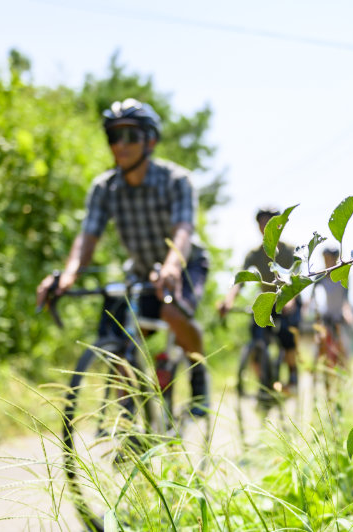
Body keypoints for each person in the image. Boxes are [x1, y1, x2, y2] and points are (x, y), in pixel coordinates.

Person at [35, 98, 211, 417]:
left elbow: (184, 229)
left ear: (151, 141)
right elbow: (88, 236)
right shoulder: (104, 188)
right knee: (119, 336)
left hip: (184, 265)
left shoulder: (176, 180)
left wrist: (172, 266)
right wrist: (69, 275)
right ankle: (129, 420)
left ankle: (199, 375)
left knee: (172, 312)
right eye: (114, 136)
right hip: (142, 272)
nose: (121, 144)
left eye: (131, 135)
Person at [218, 208, 301, 393]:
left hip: (289, 298)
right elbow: (240, 280)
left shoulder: (290, 251)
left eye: (269, 223)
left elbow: (297, 279)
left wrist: (290, 299)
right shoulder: (254, 254)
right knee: (256, 337)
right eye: (262, 223)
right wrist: (228, 300)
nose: (265, 227)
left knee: (287, 335)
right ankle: (263, 384)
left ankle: (293, 378)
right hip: (267, 301)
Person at [311, 247, 353, 379]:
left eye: (329, 259)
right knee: (319, 344)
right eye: (325, 259)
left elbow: (345, 299)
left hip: (339, 317)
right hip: (326, 316)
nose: (327, 262)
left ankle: (347, 375)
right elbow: (313, 296)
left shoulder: (343, 276)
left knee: (343, 348)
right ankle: (313, 372)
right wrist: (311, 307)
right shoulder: (321, 275)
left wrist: (348, 313)